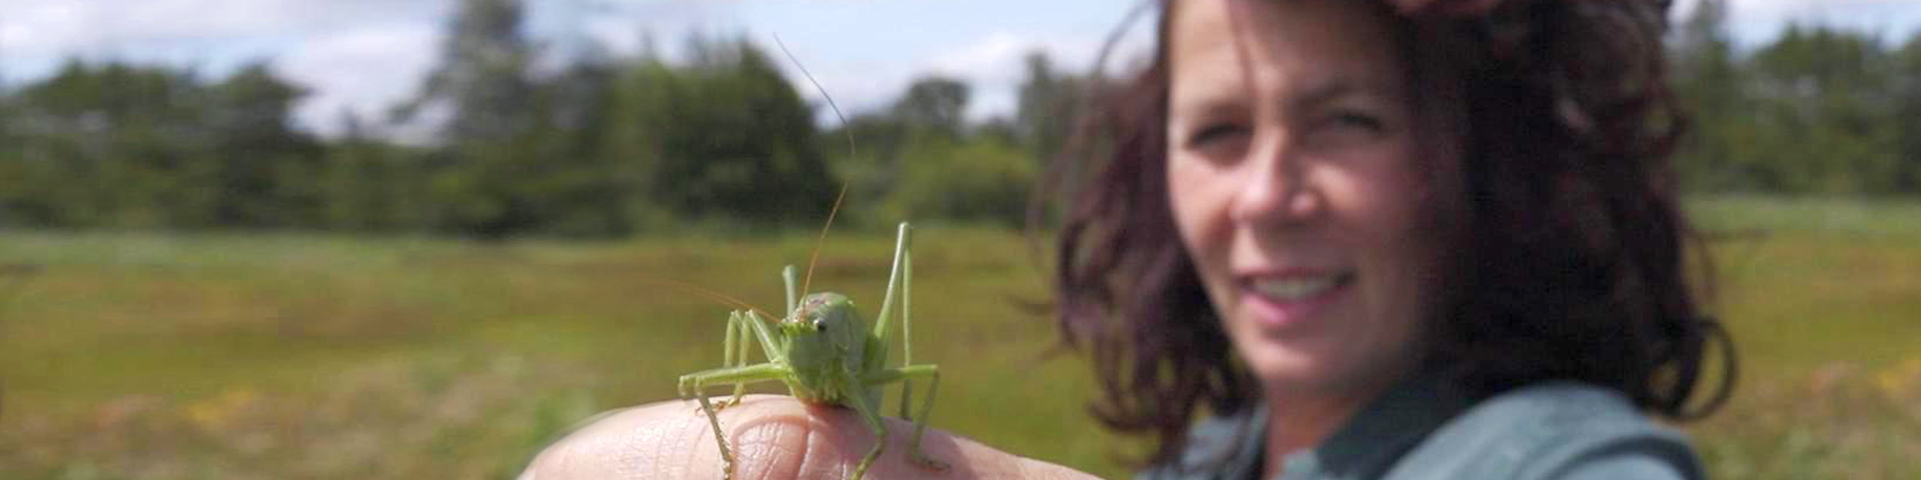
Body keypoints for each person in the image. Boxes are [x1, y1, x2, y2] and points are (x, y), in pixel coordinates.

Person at [516, 0, 1734, 478]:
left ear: (1493, 165)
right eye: (1214, 130)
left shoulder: (1561, 457)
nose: (1265, 193)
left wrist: (908, 448)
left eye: (1345, 120)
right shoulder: (1208, 460)